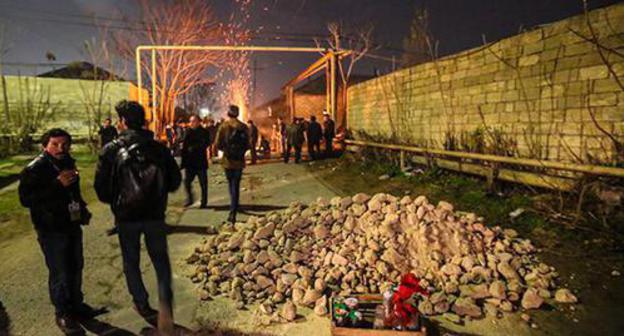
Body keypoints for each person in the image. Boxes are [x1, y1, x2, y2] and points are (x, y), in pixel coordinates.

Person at [94, 100, 181, 335]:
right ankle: (165, 306)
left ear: (122, 122)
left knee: (131, 260)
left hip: (127, 217)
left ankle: (141, 303)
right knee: (161, 261)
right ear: (143, 122)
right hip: (154, 215)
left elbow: (101, 190)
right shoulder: (159, 148)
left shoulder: (111, 150)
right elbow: (175, 182)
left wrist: (119, 199)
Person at [18, 128, 93, 334]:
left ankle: (77, 306)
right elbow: (26, 199)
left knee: (76, 266)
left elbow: (73, 192)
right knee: (60, 271)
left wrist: (82, 209)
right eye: (55, 144)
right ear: (44, 146)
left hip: (71, 224)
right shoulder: (35, 169)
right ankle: (62, 313)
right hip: (51, 228)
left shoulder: (67, 162)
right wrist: (56, 184)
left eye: (65, 144)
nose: (61, 148)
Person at [215, 105, 249, 224]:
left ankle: (233, 210)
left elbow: (217, 144)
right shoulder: (244, 127)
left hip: (228, 161)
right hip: (239, 161)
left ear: (228, 114)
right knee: (236, 185)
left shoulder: (223, 126)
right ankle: (235, 205)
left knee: (231, 185)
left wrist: (226, 150)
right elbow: (248, 145)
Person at [181, 114, 211, 208]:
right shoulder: (188, 132)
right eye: (191, 121)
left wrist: (195, 147)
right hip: (190, 162)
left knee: (203, 184)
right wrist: (183, 162)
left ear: (198, 122)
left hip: (200, 161)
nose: (191, 123)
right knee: (187, 182)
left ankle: (204, 201)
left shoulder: (204, 132)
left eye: (194, 121)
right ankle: (190, 198)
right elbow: (184, 146)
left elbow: (206, 143)